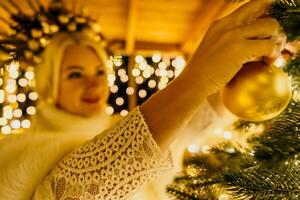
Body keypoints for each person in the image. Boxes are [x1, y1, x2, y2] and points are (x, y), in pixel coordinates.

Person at [0, 0, 286, 199]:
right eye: (75, 75)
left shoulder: (121, 125)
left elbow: (191, 123)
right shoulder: (16, 155)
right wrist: (196, 79)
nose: (93, 83)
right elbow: (71, 189)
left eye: (100, 71)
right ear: (49, 85)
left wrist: (239, 74)